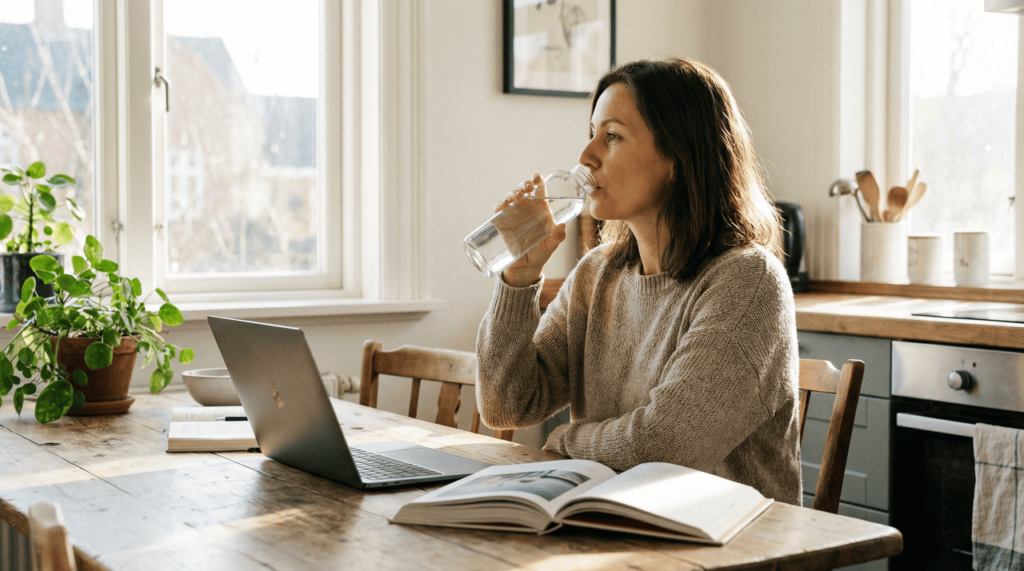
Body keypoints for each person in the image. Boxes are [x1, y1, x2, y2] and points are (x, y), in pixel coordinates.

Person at [475, 58, 801, 504]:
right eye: (591, 133)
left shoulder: (748, 282)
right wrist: (519, 277)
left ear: (677, 157)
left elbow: (665, 448)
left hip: (728, 543)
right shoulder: (598, 273)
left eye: (612, 136)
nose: (586, 157)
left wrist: (566, 441)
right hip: (616, 523)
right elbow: (507, 406)